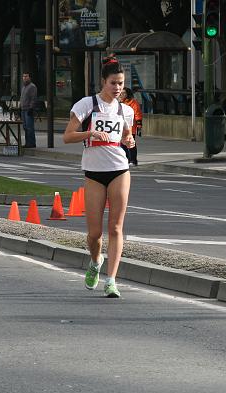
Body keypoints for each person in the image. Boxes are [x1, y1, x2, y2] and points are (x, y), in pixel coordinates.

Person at [63, 57, 136, 298]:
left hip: (119, 170)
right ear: (103, 82)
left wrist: (129, 140)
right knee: (94, 234)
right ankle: (95, 262)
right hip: (94, 173)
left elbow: (127, 137)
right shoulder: (86, 104)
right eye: (113, 83)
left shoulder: (125, 110)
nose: (117, 88)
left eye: (121, 84)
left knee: (115, 228)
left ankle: (112, 280)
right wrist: (90, 132)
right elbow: (68, 136)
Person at [119, 87, 142, 166]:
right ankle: (127, 159)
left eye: (124, 93)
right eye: (121, 93)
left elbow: (137, 114)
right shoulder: (119, 103)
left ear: (128, 94)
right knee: (122, 144)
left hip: (130, 127)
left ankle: (133, 160)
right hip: (121, 127)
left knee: (130, 143)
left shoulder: (133, 103)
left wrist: (139, 126)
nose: (122, 94)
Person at [20, 72, 37, 148]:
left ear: (29, 77)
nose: (24, 78)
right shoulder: (23, 87)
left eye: (26, 76)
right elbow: (22, 98)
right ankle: (27, 142)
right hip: (23, 109)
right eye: (23, 76)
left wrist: (31, 108)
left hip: (28, 109)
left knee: (30, 127)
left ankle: (32, 143)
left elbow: (33, 98)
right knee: (25, 127)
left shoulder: (32, 86)